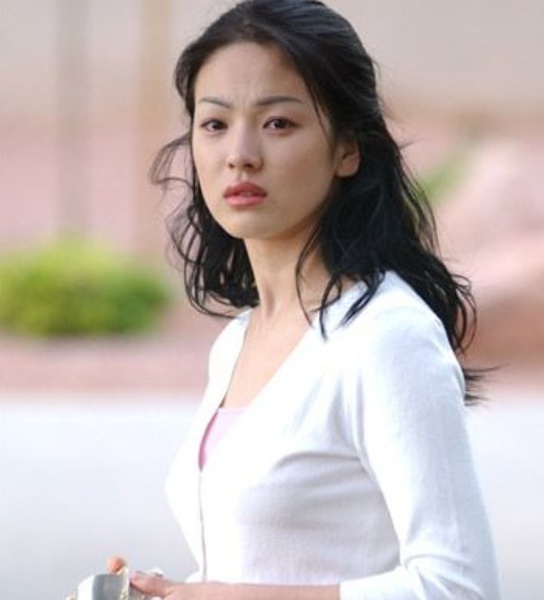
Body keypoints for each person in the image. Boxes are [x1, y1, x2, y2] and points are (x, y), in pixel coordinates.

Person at [110, 1, 500, 598]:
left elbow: (460, 585)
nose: (240, 153)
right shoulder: (238, 340)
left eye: (278, 123)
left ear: (348, 149)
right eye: (214, 124)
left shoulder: (386, 336)